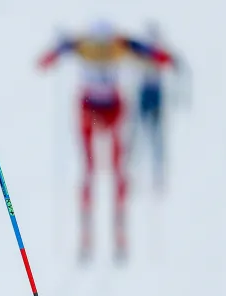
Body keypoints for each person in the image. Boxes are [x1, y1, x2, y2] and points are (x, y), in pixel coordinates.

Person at [37, 20, 175, 263]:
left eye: (104, 47)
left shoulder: (112, 43)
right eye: (97, 47)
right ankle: (88, 236)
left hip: (110, 109)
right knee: (91, 171)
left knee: (116, 170)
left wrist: (162, 57)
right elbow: (55, 53)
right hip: (91, 109)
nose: (101, 51)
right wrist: (50, 57)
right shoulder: (95, 43)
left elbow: (148, 52)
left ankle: (118, 233)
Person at [127, 21, 186, 192]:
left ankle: (157, 177)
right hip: (143, 95)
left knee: (155, 138)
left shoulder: (159, 52)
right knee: (137, 137)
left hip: (155, 96)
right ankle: (134, 174)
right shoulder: (140, 51)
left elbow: (174, 64)